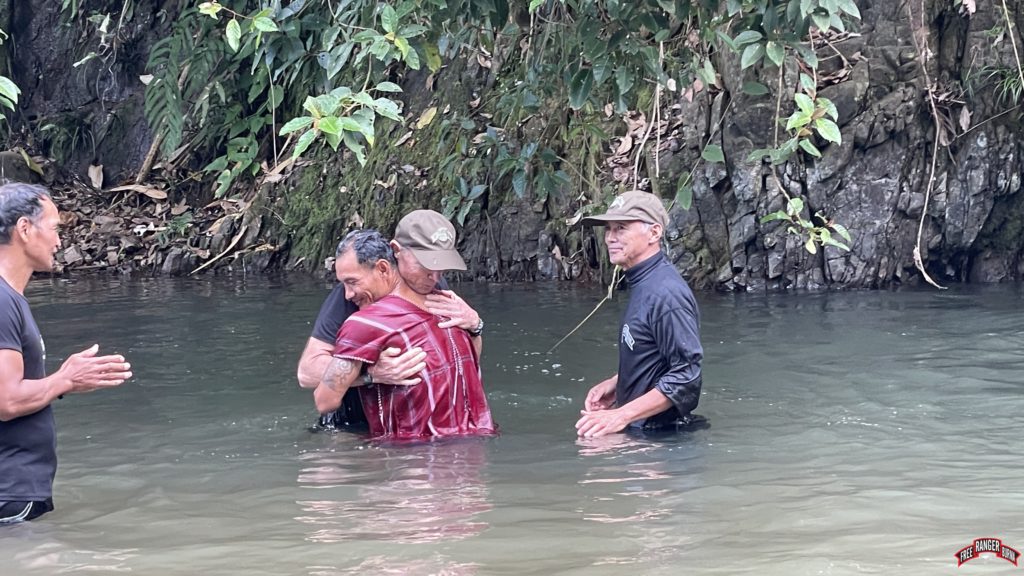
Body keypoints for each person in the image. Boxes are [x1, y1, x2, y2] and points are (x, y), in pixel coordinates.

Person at [0, 183, 132, 524]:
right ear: (25, 230)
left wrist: (65, 384)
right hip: (9, 492)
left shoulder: (10, 298)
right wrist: (63, 379)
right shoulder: (1, 301)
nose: (60, 242)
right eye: (55, 229)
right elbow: (6, 401)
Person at [314, 211, 494, 439]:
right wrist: (372, 376)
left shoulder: (451, 306)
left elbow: (469, 367)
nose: (435, 276)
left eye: (441, 267)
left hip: (444, 448)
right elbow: (323, 398)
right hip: (439, 450)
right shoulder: (366, 321)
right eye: (426, 266)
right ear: (396, 252)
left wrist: (475, 326)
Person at [574, 190, 702, 438]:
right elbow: (656, 355)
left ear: (654, 233)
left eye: (621, 228)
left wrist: (619, 416)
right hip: (641, 430)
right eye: (608, 229)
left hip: (661, 440)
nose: (610, 238)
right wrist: (618, 382)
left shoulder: (666, 294)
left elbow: (687, 377)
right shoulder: (644, 282)